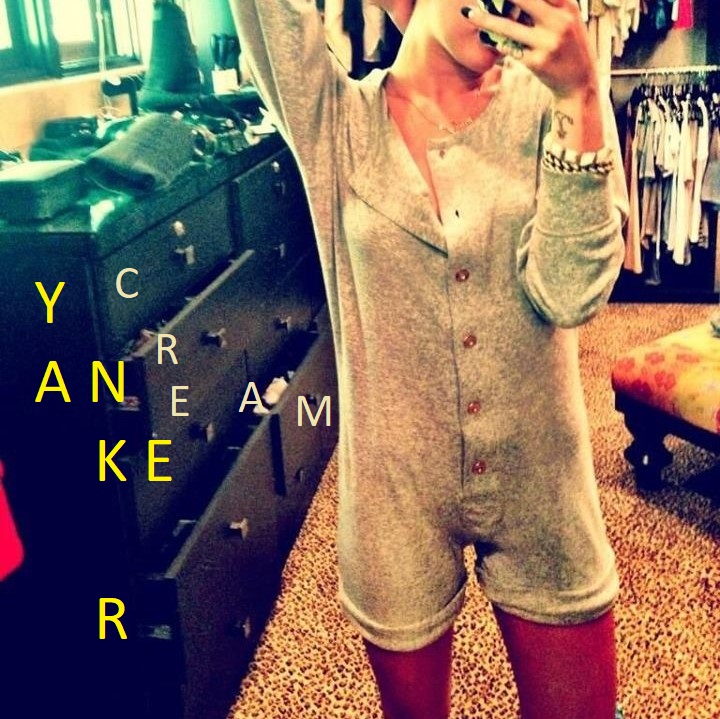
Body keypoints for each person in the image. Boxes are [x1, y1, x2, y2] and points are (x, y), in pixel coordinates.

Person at [229, 1, 629, 717]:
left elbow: (571, 294)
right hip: (395, 494)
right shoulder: (335, 123)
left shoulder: (559, 101)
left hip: (544, 477)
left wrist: (581, 96)